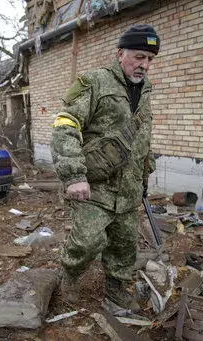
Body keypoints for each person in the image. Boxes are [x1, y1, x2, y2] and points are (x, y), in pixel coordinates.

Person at [50, 24, 160, 312]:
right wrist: (74, 176)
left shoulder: (145, 92)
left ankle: (115, 289)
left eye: (150, 59)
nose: (144, 65)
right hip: (95, 184)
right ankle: (71, 275)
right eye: (139, 57)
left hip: (129, 189)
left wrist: (144, 175)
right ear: (120, 53)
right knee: (87, 241)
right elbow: (65, 125)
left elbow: (142, 140)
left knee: (124, 247)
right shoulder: (93, 83)